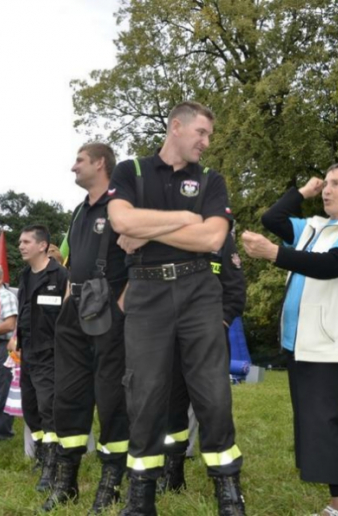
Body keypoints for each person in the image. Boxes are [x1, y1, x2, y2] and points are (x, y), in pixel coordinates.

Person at [108, 101, 244, 515]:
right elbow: (121, 223)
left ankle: (228, 490)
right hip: (146, 293)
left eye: (209, 136)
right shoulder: (130, 171)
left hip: (199, 289)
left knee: (213, 392)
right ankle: (141, 496)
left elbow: (212, 240)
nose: (206, 142)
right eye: (201, 133)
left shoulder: (211, 179)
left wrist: (147, 230)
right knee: (145, 394)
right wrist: (186, 217)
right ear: (176, 127)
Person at [243, 164, 338, 516]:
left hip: (331, 344)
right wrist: (303, 191)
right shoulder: (316, 227)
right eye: (326, 185)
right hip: (301, 343)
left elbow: (332, 265)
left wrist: (274, 254)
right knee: (316, 426)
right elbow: (272, 219)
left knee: (328, 426)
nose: (328, 190)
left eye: (337, 184)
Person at [45, 143, 129, 513]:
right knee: (68, 396)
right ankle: (67, 482)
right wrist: (67, 298)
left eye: (79, 160)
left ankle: (110, 483)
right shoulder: (79, 211)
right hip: (75, 311)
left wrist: (121, 305)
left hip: (108, 311)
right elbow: (72, 262)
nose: (72, 167)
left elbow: (140, 260)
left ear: (100, 163)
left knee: (111, 398)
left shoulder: (122, 206)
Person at [161, 231, 246, 493]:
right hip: (168, 339)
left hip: (210, 341)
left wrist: (219, 322)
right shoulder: (164, 232)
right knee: (171, 410)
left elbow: (235, 288)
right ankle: (172, 474)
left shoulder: (218, 235)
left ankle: (225, 483)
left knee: (215, 408)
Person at [16, 225, 69, 489]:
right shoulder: (25, 275)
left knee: (49, 409)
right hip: (27, 353)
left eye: (26, 241)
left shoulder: (60, 275)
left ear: (43, 245)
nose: (21, 246)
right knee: (31, 408)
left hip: (51, 353)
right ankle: (40, 453)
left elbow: (68, 317)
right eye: (19, 242)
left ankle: (51, 466)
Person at [0, 264, 17, 441]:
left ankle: (3, 433)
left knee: (3, 391)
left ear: (0, 279)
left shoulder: (5, 296)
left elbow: (9, 324)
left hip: (1, 345)